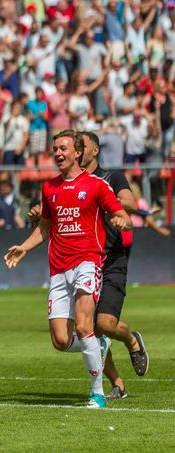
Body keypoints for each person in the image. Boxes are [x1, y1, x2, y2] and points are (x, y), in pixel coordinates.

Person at [5, 130, 132, 408]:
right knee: (61, 341)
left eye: (63, 149)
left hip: (88, 262)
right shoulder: (49, 187)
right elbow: (45, 227)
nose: (58, 154)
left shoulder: (97, 185)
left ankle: (97, 393)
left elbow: (123, 215)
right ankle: (99, 347)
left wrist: (123, 222)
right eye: (55, 150)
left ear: (77, 153)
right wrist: (24, 248)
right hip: (58, 269)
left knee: (85, 325)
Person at [77, 132, 149, 398]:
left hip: (110, 260)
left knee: (105, 325)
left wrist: (114, 209)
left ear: (94, 150)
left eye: (80, 146)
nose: (75, 150)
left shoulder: (112, 177)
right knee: (87, 329)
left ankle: (131, 340)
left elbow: (129, 203)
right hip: (82, 261)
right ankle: (117, 384)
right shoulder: (70, 183)